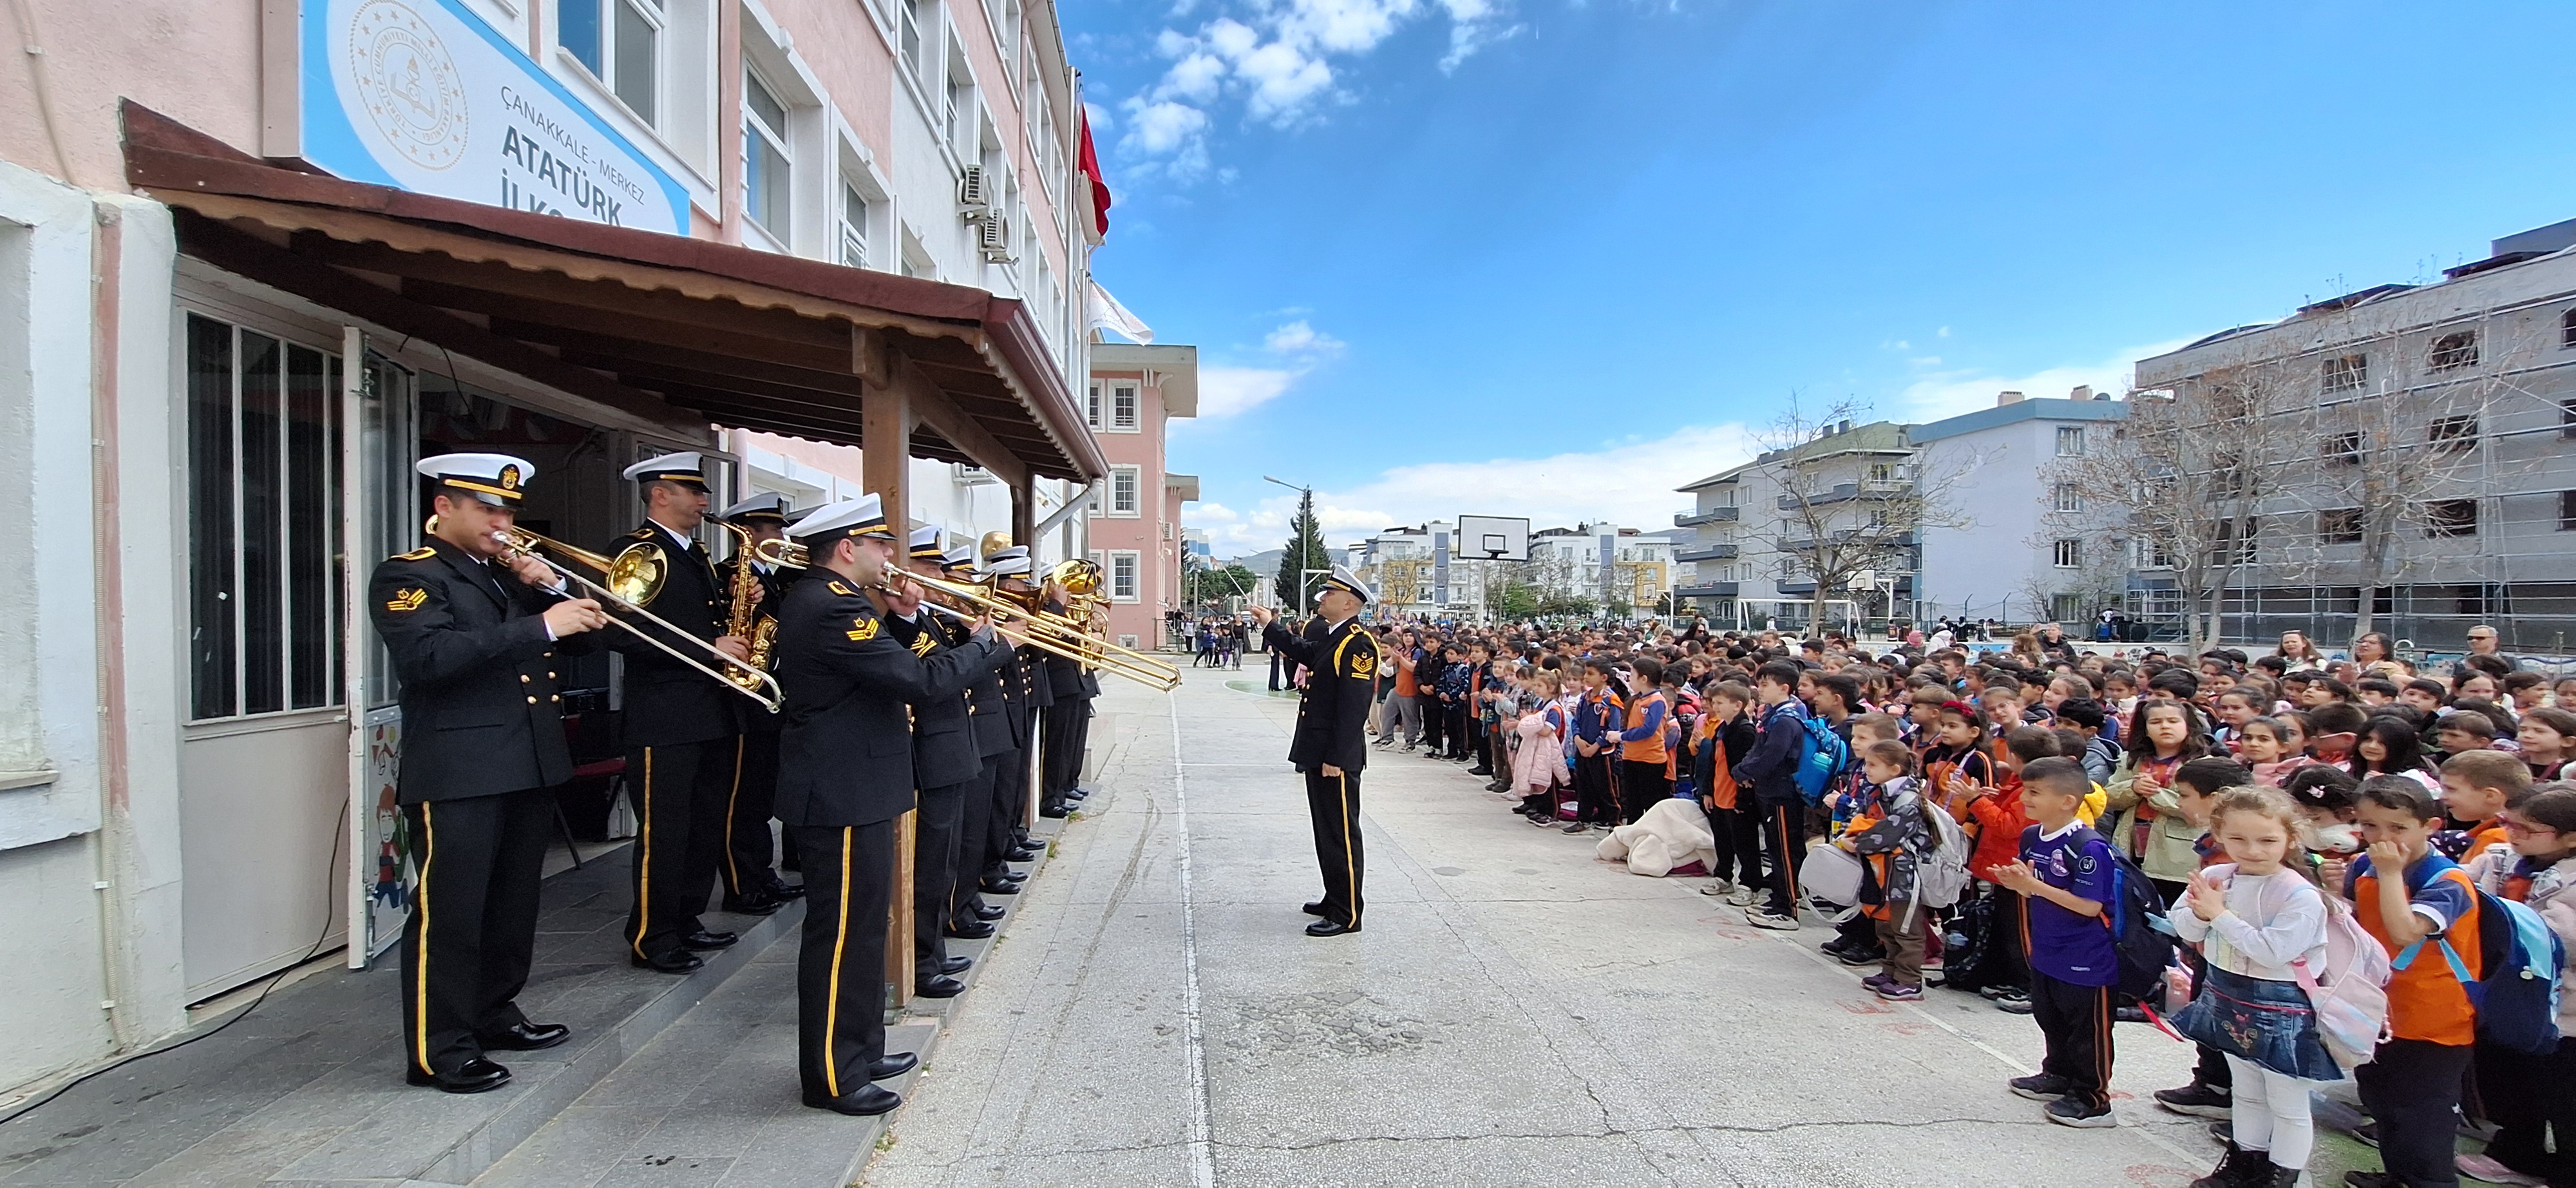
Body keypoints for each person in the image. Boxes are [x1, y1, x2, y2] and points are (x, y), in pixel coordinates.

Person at [371, 453, 609, 1093]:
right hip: (459, 770)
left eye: (507, 509)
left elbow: (587, 641)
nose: (502, 521)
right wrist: (538, 623)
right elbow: (429, 657)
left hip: (526, 762)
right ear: (444, 505)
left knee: (511, 905)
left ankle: (494, 1011)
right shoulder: (408, 573)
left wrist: (551, 590)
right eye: (486, 508)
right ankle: (439, 1047)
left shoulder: (506, 576)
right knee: (451, 911)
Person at [772, 496, 1009, 1116]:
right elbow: (919, 681)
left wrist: (904, 621)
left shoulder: (837, 603)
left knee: (865, 928)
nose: (889, 559)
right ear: (848, 548)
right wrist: (991, 646)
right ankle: (832, 1073)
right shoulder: (831, 606)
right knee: (842, 934)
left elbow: (893, 667)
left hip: (856, 787)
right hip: (840, 790)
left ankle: (861, 1048)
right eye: (879, 546)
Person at [611, 452, 756, 975]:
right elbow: (622, 631)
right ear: (658, 495)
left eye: (703, 492)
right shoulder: (635, 552)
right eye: (692, 491)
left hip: (711, 712)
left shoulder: (693, 553)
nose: (703, 501)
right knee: (665, 832)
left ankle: (687, 917)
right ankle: (652, 935)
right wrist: (708, 648)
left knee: (703, 825)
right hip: (664, 717)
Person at [2168, 787, 2338, 1188]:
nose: (2253, 849)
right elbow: (2185, 927)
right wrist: (2199, 912)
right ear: (2220, 834)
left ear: (2290, 840)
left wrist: (2219, 914)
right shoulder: (2215, 876)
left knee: (2287, 1101)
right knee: (2245, 1091)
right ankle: (2243, 1163)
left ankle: (2282, 1175)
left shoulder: (2300, 893)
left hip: (2282, 1004)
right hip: (2228, 992)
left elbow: (2275, 951)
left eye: (2267, 840)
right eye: (2239, 839)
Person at [2342, 776, 2486, 1188]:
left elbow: (2406, 931)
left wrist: (2390, 874)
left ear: (2430, 827)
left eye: (2398, 828)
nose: (2382, 837)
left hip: (2433, 1016)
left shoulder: (2447, 881)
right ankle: (2398, 1174)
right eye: (2370, 827)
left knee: (2424, 1110)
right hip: (2379, 1006)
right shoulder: (2365, 866)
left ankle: (2431, 1181)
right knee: (2383, 1098)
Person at [1248, 565, 1381, 937]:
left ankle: (1347, 912)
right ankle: (1334, 895)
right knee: (1325, 829)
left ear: (1349, 602)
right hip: (1319, 749)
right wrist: (1270, 624)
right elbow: (1304, 651)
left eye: (1330, 594)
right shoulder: (1334, 636)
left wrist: (1336, 759)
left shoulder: (1358, 643)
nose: (1323, 598)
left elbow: (1353, 709)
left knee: (1340, 831)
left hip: (1333, 756)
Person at [1989, 756, 2121, 1129]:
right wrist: (2020, 883)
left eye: (2034, 793)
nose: (2025, 799)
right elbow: (2036, 890)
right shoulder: (2033, 836)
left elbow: (2090, 905)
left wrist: (2035, 887)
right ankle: (2057, 1074)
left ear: (2067, 800)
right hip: (2048, 948)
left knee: (2087, 1030)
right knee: (2050, 1018)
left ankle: (2093, 1098)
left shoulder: (2089, 847)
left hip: (2087, 956)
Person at [883, 526, 986, 1000]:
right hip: (928, 752)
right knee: (927, 867)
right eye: (930, 569)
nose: (941, 577)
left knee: (942, 862)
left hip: (949, 750)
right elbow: (937, 675)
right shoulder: (902, 621)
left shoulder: (930, 618)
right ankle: (921, 962)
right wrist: (987, 644)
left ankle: (934, 951)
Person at [2457, 783, 2576, 1188]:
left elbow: (2561, 940)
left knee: (2563, 1095)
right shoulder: (2504, 860)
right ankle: (2518, 1152)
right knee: (2510, 1080)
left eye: (2528, 828)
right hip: (2508, 997)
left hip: (2564, 1008)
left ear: (2570, 837)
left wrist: (2519, 917)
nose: (2513, 833)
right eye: (2510, 822)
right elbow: (2458, 887)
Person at [712, 492, 804, 915]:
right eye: (774, 529)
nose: (782, 537)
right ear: (749, 534)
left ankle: (762, 874)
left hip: (772, 696)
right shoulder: (728, 575)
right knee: (743, 798)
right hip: (743, 700)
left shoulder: (779, 577)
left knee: (763, 793)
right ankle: (741, 884)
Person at [1839, 740, 1934, 1002]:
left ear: (1894, 769)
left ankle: (1909, 980)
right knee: (1886, 924)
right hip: (1885, 870)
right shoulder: (1881, 792)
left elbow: (1890, 832)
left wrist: (1857, 843)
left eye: (1873, 765)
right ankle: (1890, 971)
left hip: (1906, 874)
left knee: (1907, 928)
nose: (1866, 769)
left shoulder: (1909, 799)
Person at [1731, 660, 1814, 932]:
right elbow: (1758, 748)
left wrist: (1744, 771)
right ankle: (1779, 896)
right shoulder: (1773, 714)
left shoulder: (1787, 719)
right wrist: (1744, 769)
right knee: (1778, 848)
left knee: (1785, 851)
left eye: (1765, 684)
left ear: (1784, 688)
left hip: (1782, 792)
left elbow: (1772, 756)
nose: (1759, 689)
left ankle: (1787, 908)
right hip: (1768, 789)